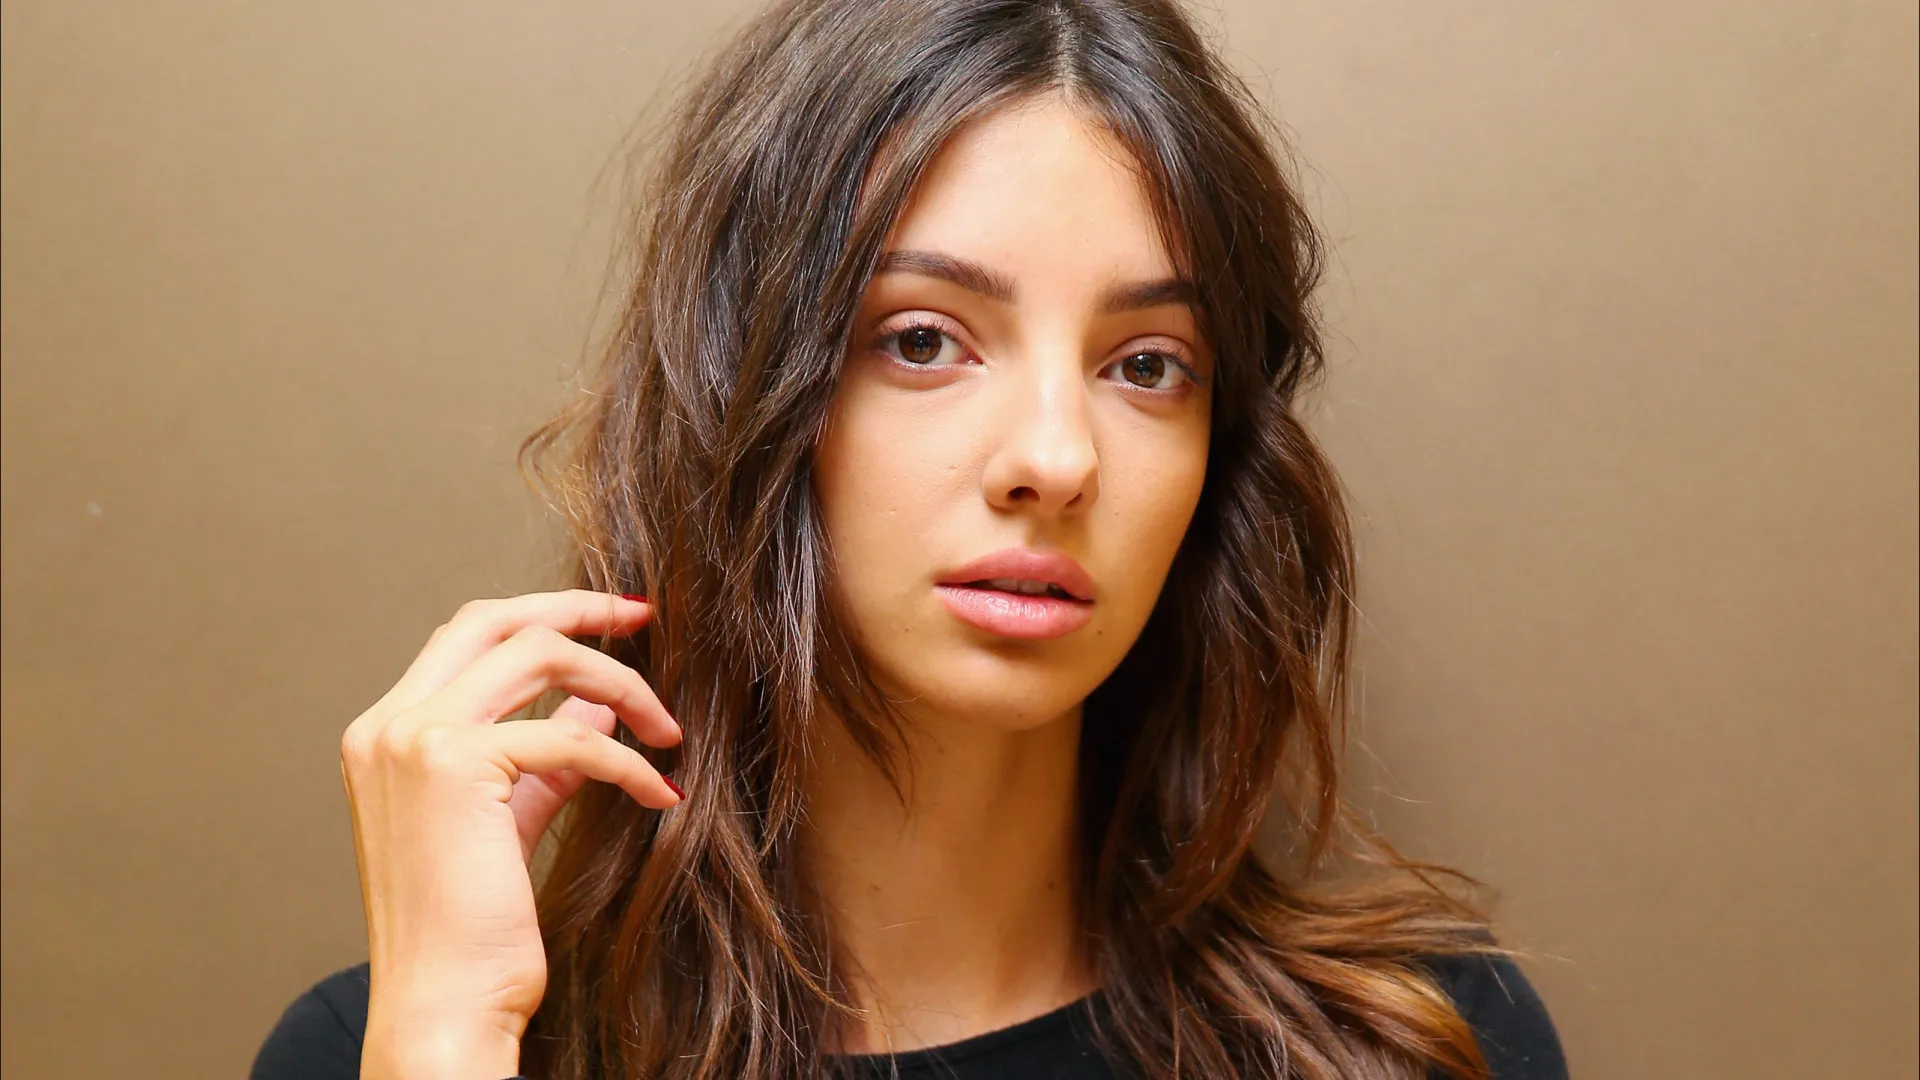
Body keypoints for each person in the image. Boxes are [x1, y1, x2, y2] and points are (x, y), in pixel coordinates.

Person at [252, 0, 1569, 1077]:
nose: (1055, 458)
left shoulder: (1415, 1047)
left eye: (1148, 364)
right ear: (743, 399)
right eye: (924, 340)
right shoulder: (405, 1045)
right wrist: (441, 1043)